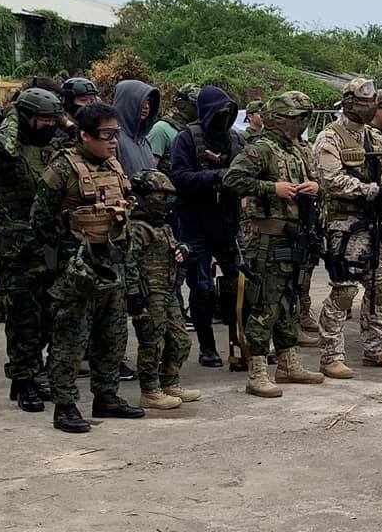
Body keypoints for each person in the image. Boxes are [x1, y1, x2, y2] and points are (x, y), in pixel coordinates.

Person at [32, 101, 147, 432]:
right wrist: (68, 257)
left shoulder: (114, 166)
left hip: (113, 261)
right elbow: (40, 219)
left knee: (112, 335)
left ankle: (106, 396)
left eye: (116, 134)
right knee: (71, 337)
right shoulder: (62, 169)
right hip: (79, 268)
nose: (113, 141)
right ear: (85, 135)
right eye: (106, 135)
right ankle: (65, 406)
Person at [223, 90, 325, 397]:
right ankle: (256, 371)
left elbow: (318, 180)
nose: (301, 123)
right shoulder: (261, 149)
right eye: (297, 118)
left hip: (295, 237)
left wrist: (315, 186)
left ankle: (287, 363)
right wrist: (272, 188)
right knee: (266, 303)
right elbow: (232, 180)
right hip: (267, 239)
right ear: (279, 119)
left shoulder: (298, 150)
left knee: (288, 302)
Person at [312, 79, 382, 376]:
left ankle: (376, 349)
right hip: (346, 225)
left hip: (379, 223)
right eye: (364, 102)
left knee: (381, 288)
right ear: (349, 103)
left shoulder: (376, 139)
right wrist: (370, 191)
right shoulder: (330, 137)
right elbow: (331, 179)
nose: (369, 107)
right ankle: (331, 355)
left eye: (371, 102)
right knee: (345, 290)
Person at [0, 86, 63, 410]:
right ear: (26, 117)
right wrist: (14, 115)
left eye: (54, 120)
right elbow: (4, 144)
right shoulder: (4, 143)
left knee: (48, 312)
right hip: (15, 244)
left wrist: (61, 120)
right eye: (44, 119)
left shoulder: (49, 145)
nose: (51, 126)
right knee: (22, 316)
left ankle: (35, 372)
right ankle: (23, 379)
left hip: (46, 240)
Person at [169, 83, 247, 369]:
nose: (223, 117)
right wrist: (217, 176)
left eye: (228, 111)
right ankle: (207, 347)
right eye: (219, 112)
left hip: (229, 223)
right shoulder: (186, 138)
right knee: (201, 288)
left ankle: (245, 343)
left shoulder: (237, 140)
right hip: (195, 224)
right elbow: (179, 177)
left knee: (241, 285)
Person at [127, 168, 197, 409]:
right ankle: (150, 390)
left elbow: (175, 247)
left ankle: (170, 381)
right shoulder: (137, 228)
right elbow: (129, 264)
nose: (165, 202)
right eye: (160, 196)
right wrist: (134, 297)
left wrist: (183, 249)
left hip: (168, 291)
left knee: (180, 339)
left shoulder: (162, 227)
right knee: (152, 343)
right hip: (150, 294)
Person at [111, 77, 160, 176]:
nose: (146, 106)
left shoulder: (144, 142)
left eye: (149, 102)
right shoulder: (112, 140)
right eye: (141, 101)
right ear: (126, 102)